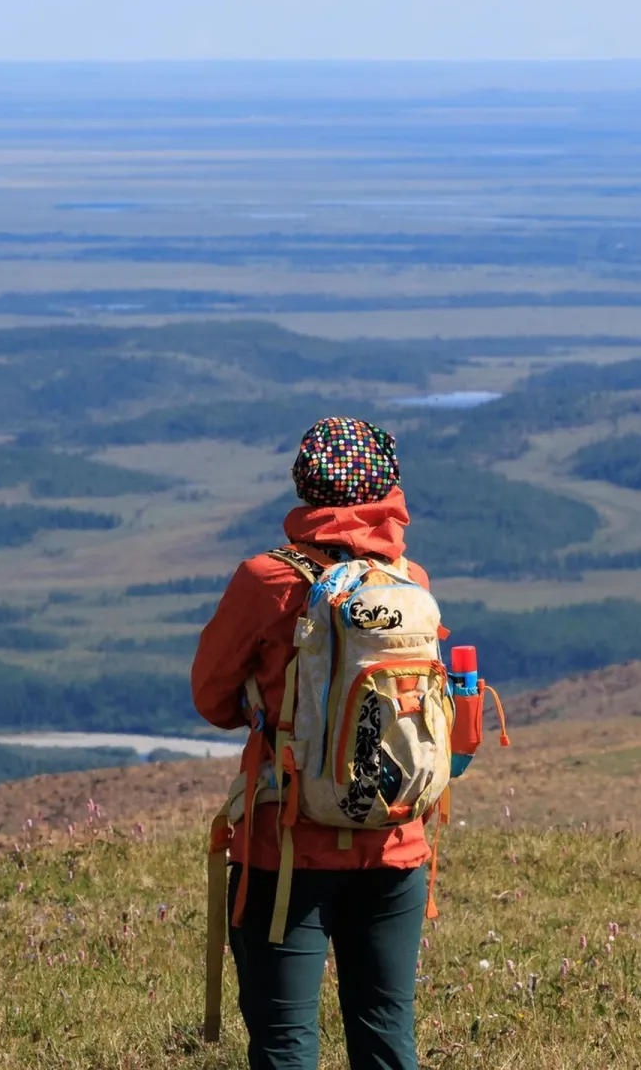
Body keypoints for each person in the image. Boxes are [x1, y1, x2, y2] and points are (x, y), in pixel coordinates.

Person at [191, 417, 430, 1070]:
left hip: (286, 848)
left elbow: (210, 698)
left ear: (306, 484)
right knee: (386, 1038)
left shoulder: (266, 579)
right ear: (387, 486)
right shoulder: (411, 582)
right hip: (396, 846)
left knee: (285, 1044)